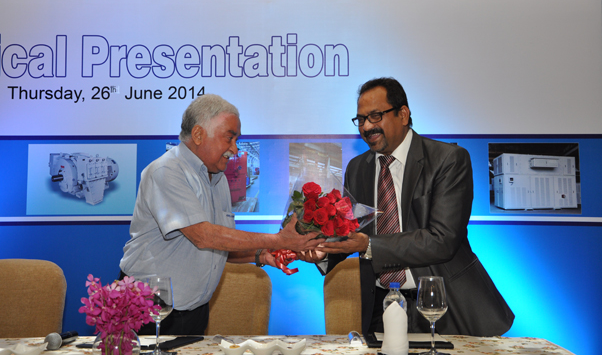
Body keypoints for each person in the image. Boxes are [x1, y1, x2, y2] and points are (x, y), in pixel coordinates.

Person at [298, 77, 514, 337]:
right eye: (361, 119)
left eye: (375, 116)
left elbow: (442, 239)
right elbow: (351, 232)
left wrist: (369, 245)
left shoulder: (448, 160)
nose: (367, 126)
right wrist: (323, 251)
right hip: (380, 308)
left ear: (403, 114)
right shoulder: (357, 168)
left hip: (443, 306)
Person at [119, 94, 323, 335]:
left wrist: (262, 254)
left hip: (194, 313)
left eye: (237, 140)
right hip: (148, 311)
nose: (235, 149)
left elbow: (220, 246)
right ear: (198, 134)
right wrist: (279, 240)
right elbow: (204, 236)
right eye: (229, 137)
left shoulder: (218, 179)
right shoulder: (166, 171)